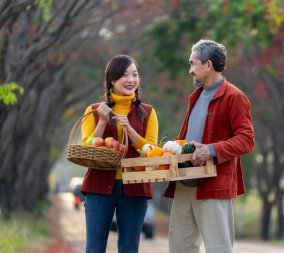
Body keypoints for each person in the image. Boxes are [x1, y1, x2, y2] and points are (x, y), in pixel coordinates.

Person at [164, 39, 255, 253]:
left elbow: (247, 139)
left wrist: (211, 150)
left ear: (208, 65)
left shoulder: (235, 97)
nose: (190, 70)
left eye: (193, 63)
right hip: (184, 182)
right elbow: (188, 137)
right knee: (179, 248)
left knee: (218, 248)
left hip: (213, 185)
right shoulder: (195, 97)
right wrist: (172, 147)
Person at [81, 55, 158, 253]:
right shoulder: (93, 110)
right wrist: (102, 122)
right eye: (124, 75)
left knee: (129, 248)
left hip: (136, 187)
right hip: (99, 187)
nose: (131, 80)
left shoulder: (148, 113)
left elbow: (152, 152)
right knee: (94, 248)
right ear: (111, 80)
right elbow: (87, 148)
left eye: (135, 74)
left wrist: (131, 131)